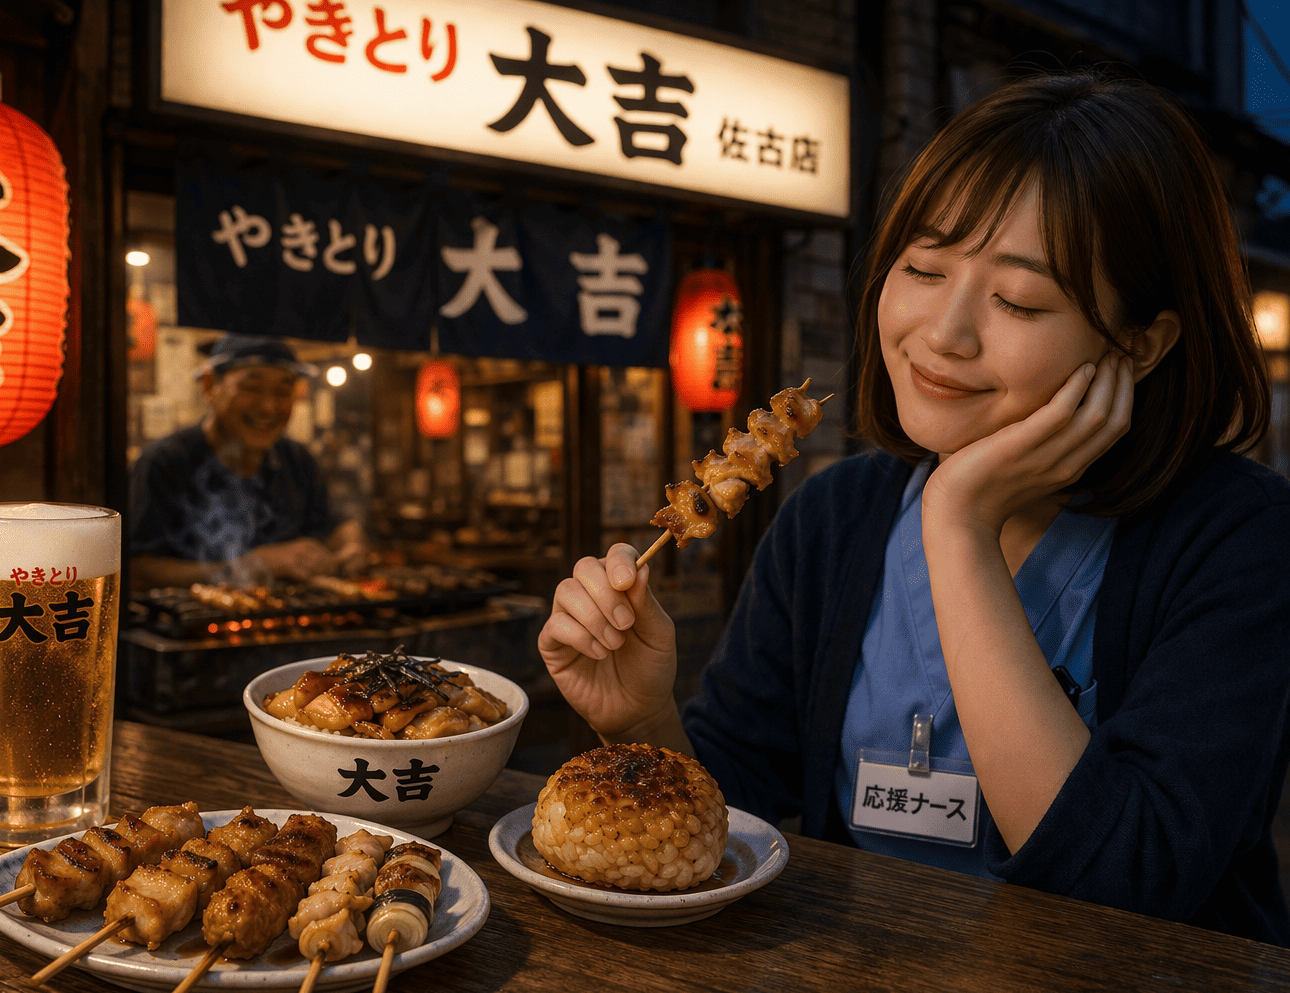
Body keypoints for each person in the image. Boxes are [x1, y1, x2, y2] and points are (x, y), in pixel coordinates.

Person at [538, 70, 1290, 945]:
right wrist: (643, 720)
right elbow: (737, 827)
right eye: (924, 268)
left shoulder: (1237, 539)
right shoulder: (834, 517)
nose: (944, 334)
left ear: (1141, 343)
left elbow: (1131, 892)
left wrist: (958, 524)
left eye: (1019, 299)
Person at [128, 333, 368, 591]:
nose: (268, 407)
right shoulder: (165, 463)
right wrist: (252, 565)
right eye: (251, 388)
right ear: (209, 386)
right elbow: (137, 572)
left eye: (283, 391)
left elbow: (334, 526)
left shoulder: (298, 461)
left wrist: (351, 545)